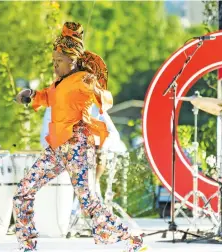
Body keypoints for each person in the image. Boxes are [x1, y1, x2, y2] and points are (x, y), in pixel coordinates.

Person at [14, 22, 146, 252]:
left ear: (72, 61)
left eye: (58, 62)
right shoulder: (59, 83)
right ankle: (27, 246)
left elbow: (106, 99)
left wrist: (95, 88)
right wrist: (30, 95)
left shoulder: (83, 79)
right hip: (57, 148)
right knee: (24, 190)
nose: (54, 66)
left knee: (88, 203)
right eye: (53, 62)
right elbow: (46, 97)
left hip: (77, 146)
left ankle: (132, 239)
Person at [40, 105, 127, 199]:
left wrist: (102, 146)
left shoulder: (95, 107)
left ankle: (91, 189)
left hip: (91, 161)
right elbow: (45, 140)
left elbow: (114, 135)